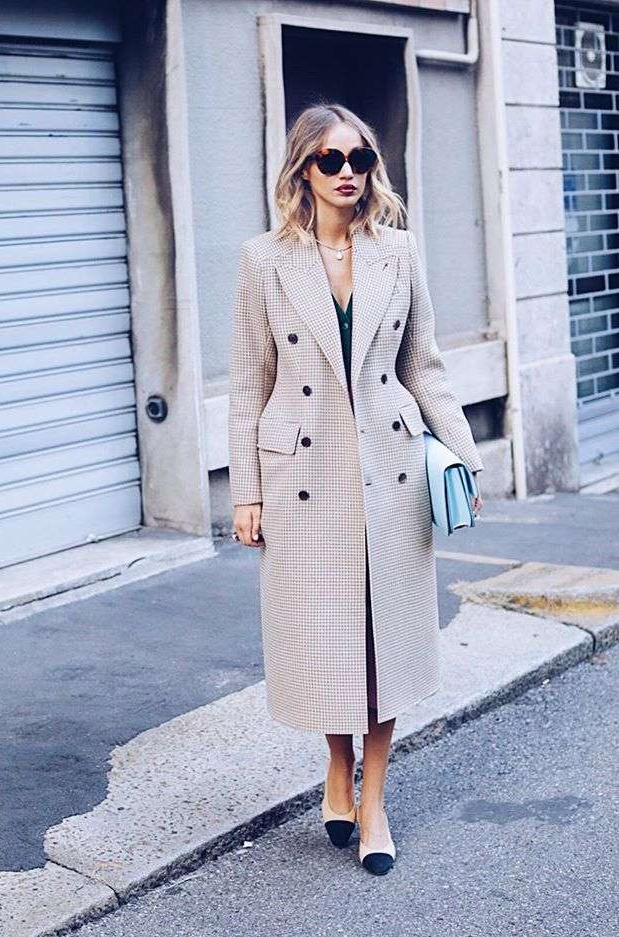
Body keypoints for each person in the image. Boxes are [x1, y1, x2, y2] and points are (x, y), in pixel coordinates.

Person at [227, 102, 484, 875]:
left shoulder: (397, 251)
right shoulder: (263, 260)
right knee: (327, 638)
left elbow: (423, 365)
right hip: (303, 476)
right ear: (302, 169)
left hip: (390, 470)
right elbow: (248, 384)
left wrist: (464, 457)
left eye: (360, 158)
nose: (348, 173)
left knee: (385, 645)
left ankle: (373, 802)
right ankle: (337, 764)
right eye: (331, 159)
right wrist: (246, 492)